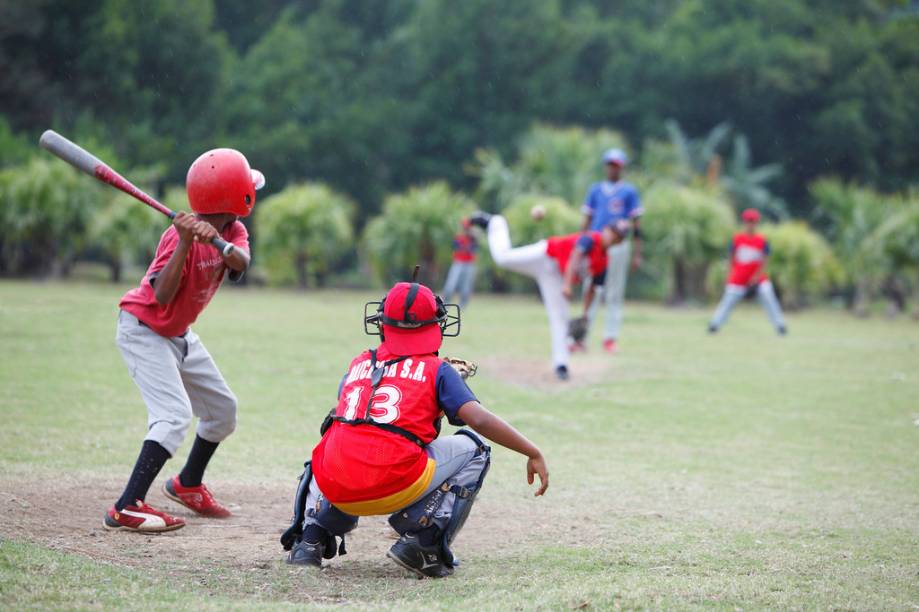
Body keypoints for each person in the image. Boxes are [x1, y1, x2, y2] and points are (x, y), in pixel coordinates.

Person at [280, 280, 549, 578]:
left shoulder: (359, 363)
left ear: (381, 324)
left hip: (338, 487)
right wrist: (532, 451)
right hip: (396, 485)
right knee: (476, 449)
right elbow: (480, 421)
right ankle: (423, 542)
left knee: (334, 442)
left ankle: (310, 538)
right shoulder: (438, 370)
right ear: (435, 326)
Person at [103, 149, 264, 532]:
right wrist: (186, 243)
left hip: (178, 334)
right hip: (143, 331)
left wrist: (216, 242)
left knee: (222, 410)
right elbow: (161, 295)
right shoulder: (175, 237)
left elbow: (241, 263)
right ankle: (127, 506)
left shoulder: (233, 231)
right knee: (173, 416)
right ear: (238, 197)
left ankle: (187, 483)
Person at [469, 212, 627, 380]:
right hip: (545, 255)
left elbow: (592, 289)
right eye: (612, 231)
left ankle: (561, 364)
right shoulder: (591, 239)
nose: (612, 237)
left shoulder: (604, 262)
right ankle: (495, 222)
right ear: (605, 229)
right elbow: (575, 256)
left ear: (619, 242)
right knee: (503, 258)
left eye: (617, 236)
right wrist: (567, 285)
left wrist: (585, 314)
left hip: (555, 277)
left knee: (560, 318)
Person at [581, 148, 643, 353]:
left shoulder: (629, 191)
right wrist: (581, 243)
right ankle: (581, 337)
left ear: (622, 167)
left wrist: (637, 253)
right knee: (591, 291)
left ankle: (610, 338)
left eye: (616, 165)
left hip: (618, 246)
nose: (612, 169)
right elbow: (587, 219)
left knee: (614, 293)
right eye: (610, 165)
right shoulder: (595, 190)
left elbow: (636, 224)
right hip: (596, 245)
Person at [708, 208, 787, 335]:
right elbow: (731, 259)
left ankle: (780, 326)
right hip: (739, 278)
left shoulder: (762, 240)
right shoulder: (737, 239)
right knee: (727, 301)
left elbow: (765, 260)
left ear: (757, 223)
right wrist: (729, 276)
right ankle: (714, 325)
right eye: (748, 221)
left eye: (753, 221)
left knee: (768, 296)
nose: (751, 224)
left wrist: (756, 277)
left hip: (757, 279)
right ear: (744, 222)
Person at [441, 218, 478, 309]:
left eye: (467, 228)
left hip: (469, 264)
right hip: (458, 263)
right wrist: (466, 248)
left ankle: (463, 305)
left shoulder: (473, 238)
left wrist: (473, 238)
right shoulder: (458, 237)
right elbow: (457, 247)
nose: (465, 229)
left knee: (466, 286)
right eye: (464, 227)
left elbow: (473, 249)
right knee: (451, 284)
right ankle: (445, 303)